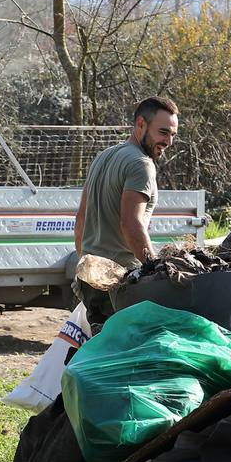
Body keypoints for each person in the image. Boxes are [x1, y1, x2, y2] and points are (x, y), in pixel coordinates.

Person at [73, 96, 178, 330]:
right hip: (120, 284)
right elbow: (131, 223)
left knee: (100, 356)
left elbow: (80, 219)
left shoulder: (103, 157)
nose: (168, 141)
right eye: (163, 132)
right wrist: (156, 271)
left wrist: (83, 261)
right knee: (127, 360)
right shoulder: (141, 164)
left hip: (91, 277)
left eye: (172, 135)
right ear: (141, 123)